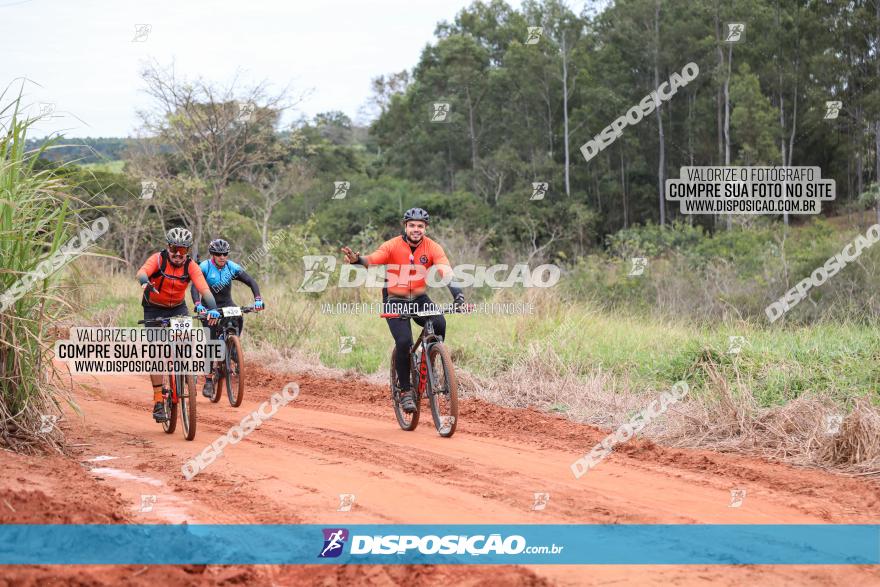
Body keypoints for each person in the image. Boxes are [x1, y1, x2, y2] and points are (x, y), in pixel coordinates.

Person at [341, 207, 465, 413]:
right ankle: (406, 391)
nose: (416, 229)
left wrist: (458, 296)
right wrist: (357, 260)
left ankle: (432, 358)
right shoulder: (392, 245)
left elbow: (446, 272)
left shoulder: (433, 248)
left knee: (440, 322)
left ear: (425, 228)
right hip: (395, 299)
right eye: (412, 225)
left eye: (420, 226)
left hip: (419, 299)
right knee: (404, 342)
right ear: (405, 226)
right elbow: (373, 259)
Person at [136, 227, 220, 423]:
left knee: (186, 342)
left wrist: (213, 308)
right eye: (174, 249)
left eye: (182, 251)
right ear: (168, 247)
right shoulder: (158, 259)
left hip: (177, 308)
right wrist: (144, 282)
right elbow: (142, 272)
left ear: (188, 251)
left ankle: (187, 376)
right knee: (157, 353)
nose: (177, 254)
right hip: (153, 308)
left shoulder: (191, 266)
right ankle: (158, 400)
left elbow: (204, 289)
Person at [190, 238, 264, 398]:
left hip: (227, 303)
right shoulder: (204, 267)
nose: (222, 257)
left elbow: (251, 281)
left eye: (224, 254)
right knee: (211, 343)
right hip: (209, 307)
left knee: (239, 315)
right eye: (218, 254)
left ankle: (233, 346)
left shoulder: (232, 267)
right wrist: (198, 304)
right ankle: (209, 380)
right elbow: (195, 286)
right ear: (212, 254)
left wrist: (258, 299)